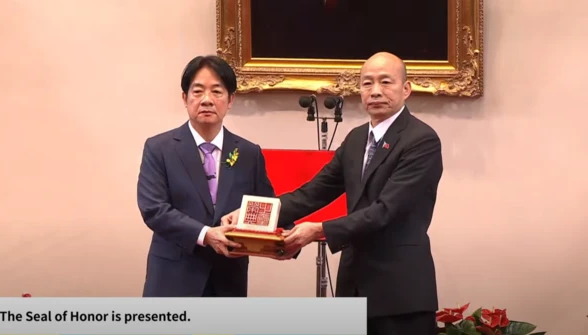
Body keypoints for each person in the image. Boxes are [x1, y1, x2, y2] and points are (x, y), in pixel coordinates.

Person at [222, 52, 442, 334]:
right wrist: (250, 216)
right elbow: (312, 193)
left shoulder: (421, 140)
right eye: (367, 84)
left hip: (401, 293)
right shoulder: (356, 139)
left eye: (386, 82)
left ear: (406, 89)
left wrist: (317, 230)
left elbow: (385, 211)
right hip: (354, 286)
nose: (375, 91)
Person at [136, 55, 290, 298]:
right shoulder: (159, 148)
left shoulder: (249, 153)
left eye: (217, 91)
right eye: (197, 91)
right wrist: (206, 235)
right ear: (185, 98)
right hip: (173, 279)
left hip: (228, 281)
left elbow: (266, 208)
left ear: (230, 100)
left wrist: (287, 240)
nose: (207, 100)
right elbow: (154, 209)